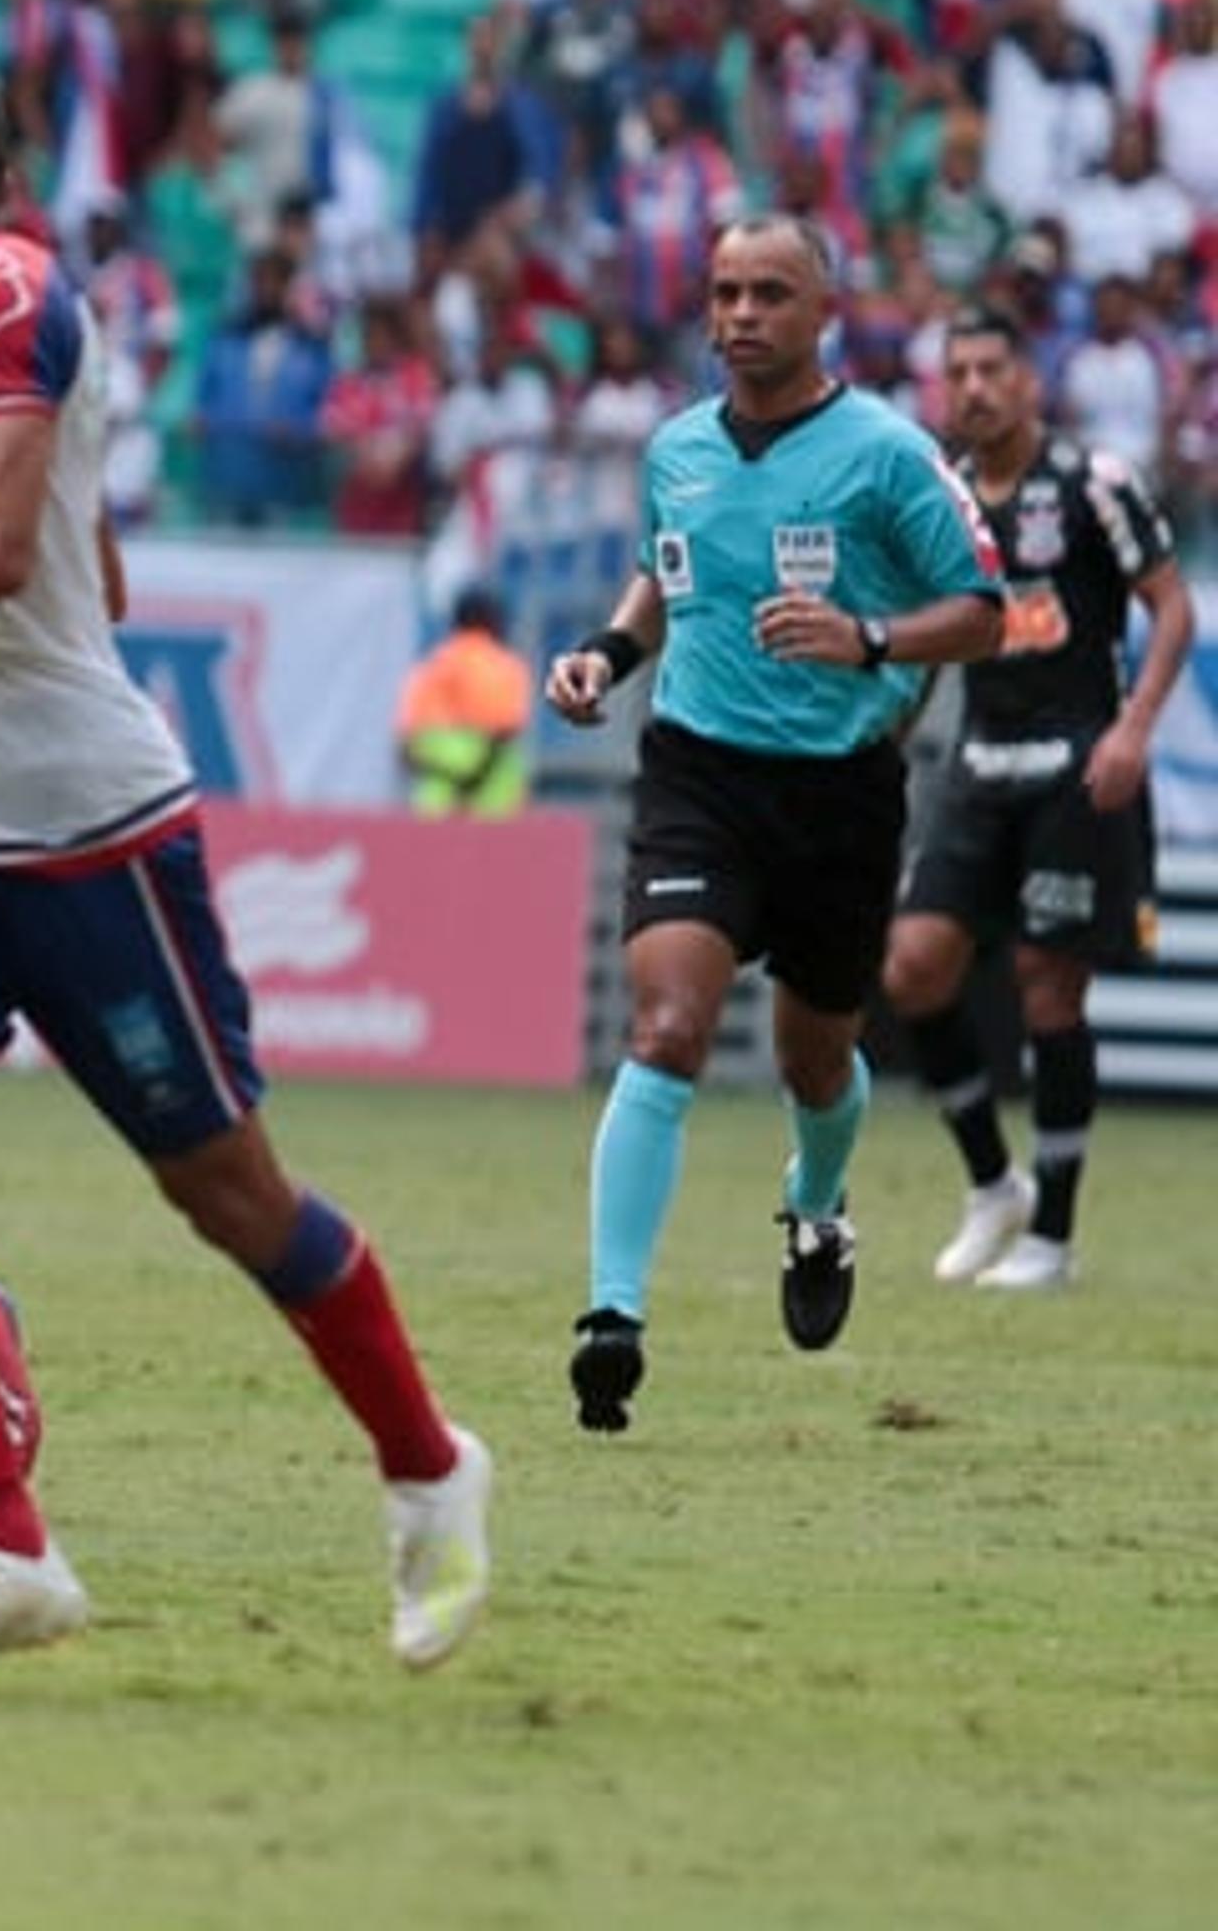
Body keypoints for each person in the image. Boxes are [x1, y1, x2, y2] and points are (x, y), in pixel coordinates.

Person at [0, 58, 491, 1685]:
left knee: (228, 1196)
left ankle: (428, 1467)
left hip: (80, 836)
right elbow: (80, 561)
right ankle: (3, 1549)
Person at [544, 219, 1006, 1434]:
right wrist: (602, 653)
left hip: (841, 796)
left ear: (824, 312)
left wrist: (868, 639)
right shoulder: (675, 450)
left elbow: (982, 611)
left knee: (816, 1061)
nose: (743, 314)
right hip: (699, 779)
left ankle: (819, 1200)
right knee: (669, 1024)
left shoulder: (891, 458)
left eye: (771, 294)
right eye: (726, 293)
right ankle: (611, 1321)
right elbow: (663, 572)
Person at [884, 317, 1192, 1294]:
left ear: (1028, 382)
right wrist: (887, 740)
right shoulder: (943, 501)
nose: (973, 388)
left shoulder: (1093, 482)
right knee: (914, 968)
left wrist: (1133, 729)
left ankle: (1052, 1238)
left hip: (1074, 763)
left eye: (991, 368)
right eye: (957, 372)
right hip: (979, 762)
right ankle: (992, 1184)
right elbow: (932, 639)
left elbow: (1172, 605)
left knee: (1048, 986)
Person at [396, 590, 534, 817]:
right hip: (491, 797)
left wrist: (447, 775)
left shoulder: (430, 667)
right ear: (493, 621)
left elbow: (405, 748)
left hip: (437, 798)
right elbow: (507, 730)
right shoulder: (506, 666)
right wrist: (472, 780)